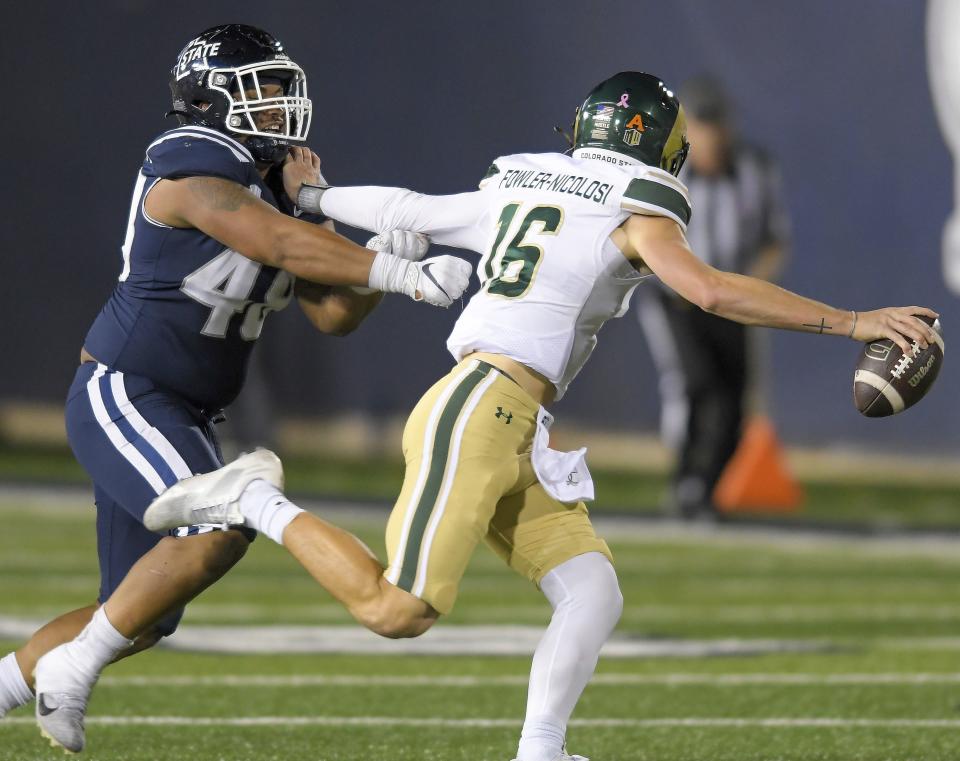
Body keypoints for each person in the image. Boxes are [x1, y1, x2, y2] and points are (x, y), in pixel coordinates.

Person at [78, 71, 939, 761]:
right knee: (397, 610)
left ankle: (541, 748)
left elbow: (411, 213)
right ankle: (258, 498)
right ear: (656, 146)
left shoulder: (528, 179)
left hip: (510, 418)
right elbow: (708, 290)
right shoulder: (639, 204)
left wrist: (318, 197)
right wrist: (854, 321)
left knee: (592, 590)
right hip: (479, 407)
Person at [0, 24, 470, 753]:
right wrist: (400, 274)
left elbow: (332, 313)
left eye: (283, 91)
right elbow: (273, 244)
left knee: (143, 612)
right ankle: (76, 668)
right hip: (126, 388)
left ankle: (18, 681)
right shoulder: (189, 162)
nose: (280, 107)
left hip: (184, 408)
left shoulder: (282, 186)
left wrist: (380, 257)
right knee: (218, 526)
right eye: (262, 90)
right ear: (206, 98)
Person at [635, 75, 791, 518]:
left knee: (734, 399)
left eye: (716, 124)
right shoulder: (663, 172)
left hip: (731, 300)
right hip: (675, 299)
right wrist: (684, 284)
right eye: (701, 125)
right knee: (694, 385)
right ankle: (685, 478)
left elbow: (775, 240)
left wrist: (749, 289)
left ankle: (706, 489)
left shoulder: (756, 169)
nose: (712, 135)